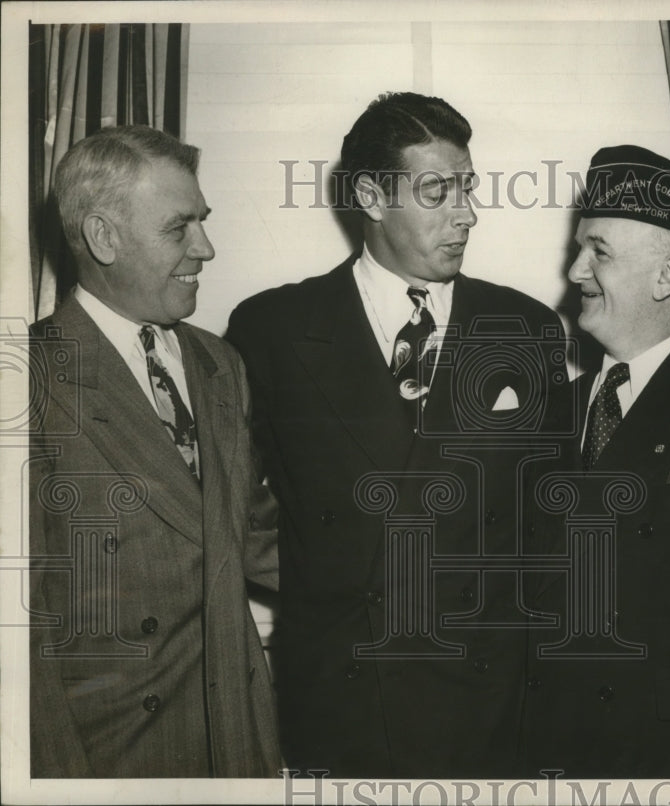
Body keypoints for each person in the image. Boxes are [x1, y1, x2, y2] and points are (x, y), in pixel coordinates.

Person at [226, 92, 570, 778]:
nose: (467, 214)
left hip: (490, 705)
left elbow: (550, 523)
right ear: (370, 197)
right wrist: (342, 580)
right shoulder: (274, 329)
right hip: (343, 696)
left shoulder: (526, 327)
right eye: (438, 191)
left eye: (467, 188)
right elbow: (230, 505)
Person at [29, 126, 281, 777]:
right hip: (111, 756)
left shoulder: (218, 363)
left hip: (232, 739)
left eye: (203, 221)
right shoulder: (26, 380)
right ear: (103, 237)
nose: (207, 247)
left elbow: (255, 535)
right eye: (179, 229)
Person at [521, 145, 670, 778]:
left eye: (598, 251)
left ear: (665, 276)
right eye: (580, 248)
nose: (574, 271)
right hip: (548, 753)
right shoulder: (546, 413)